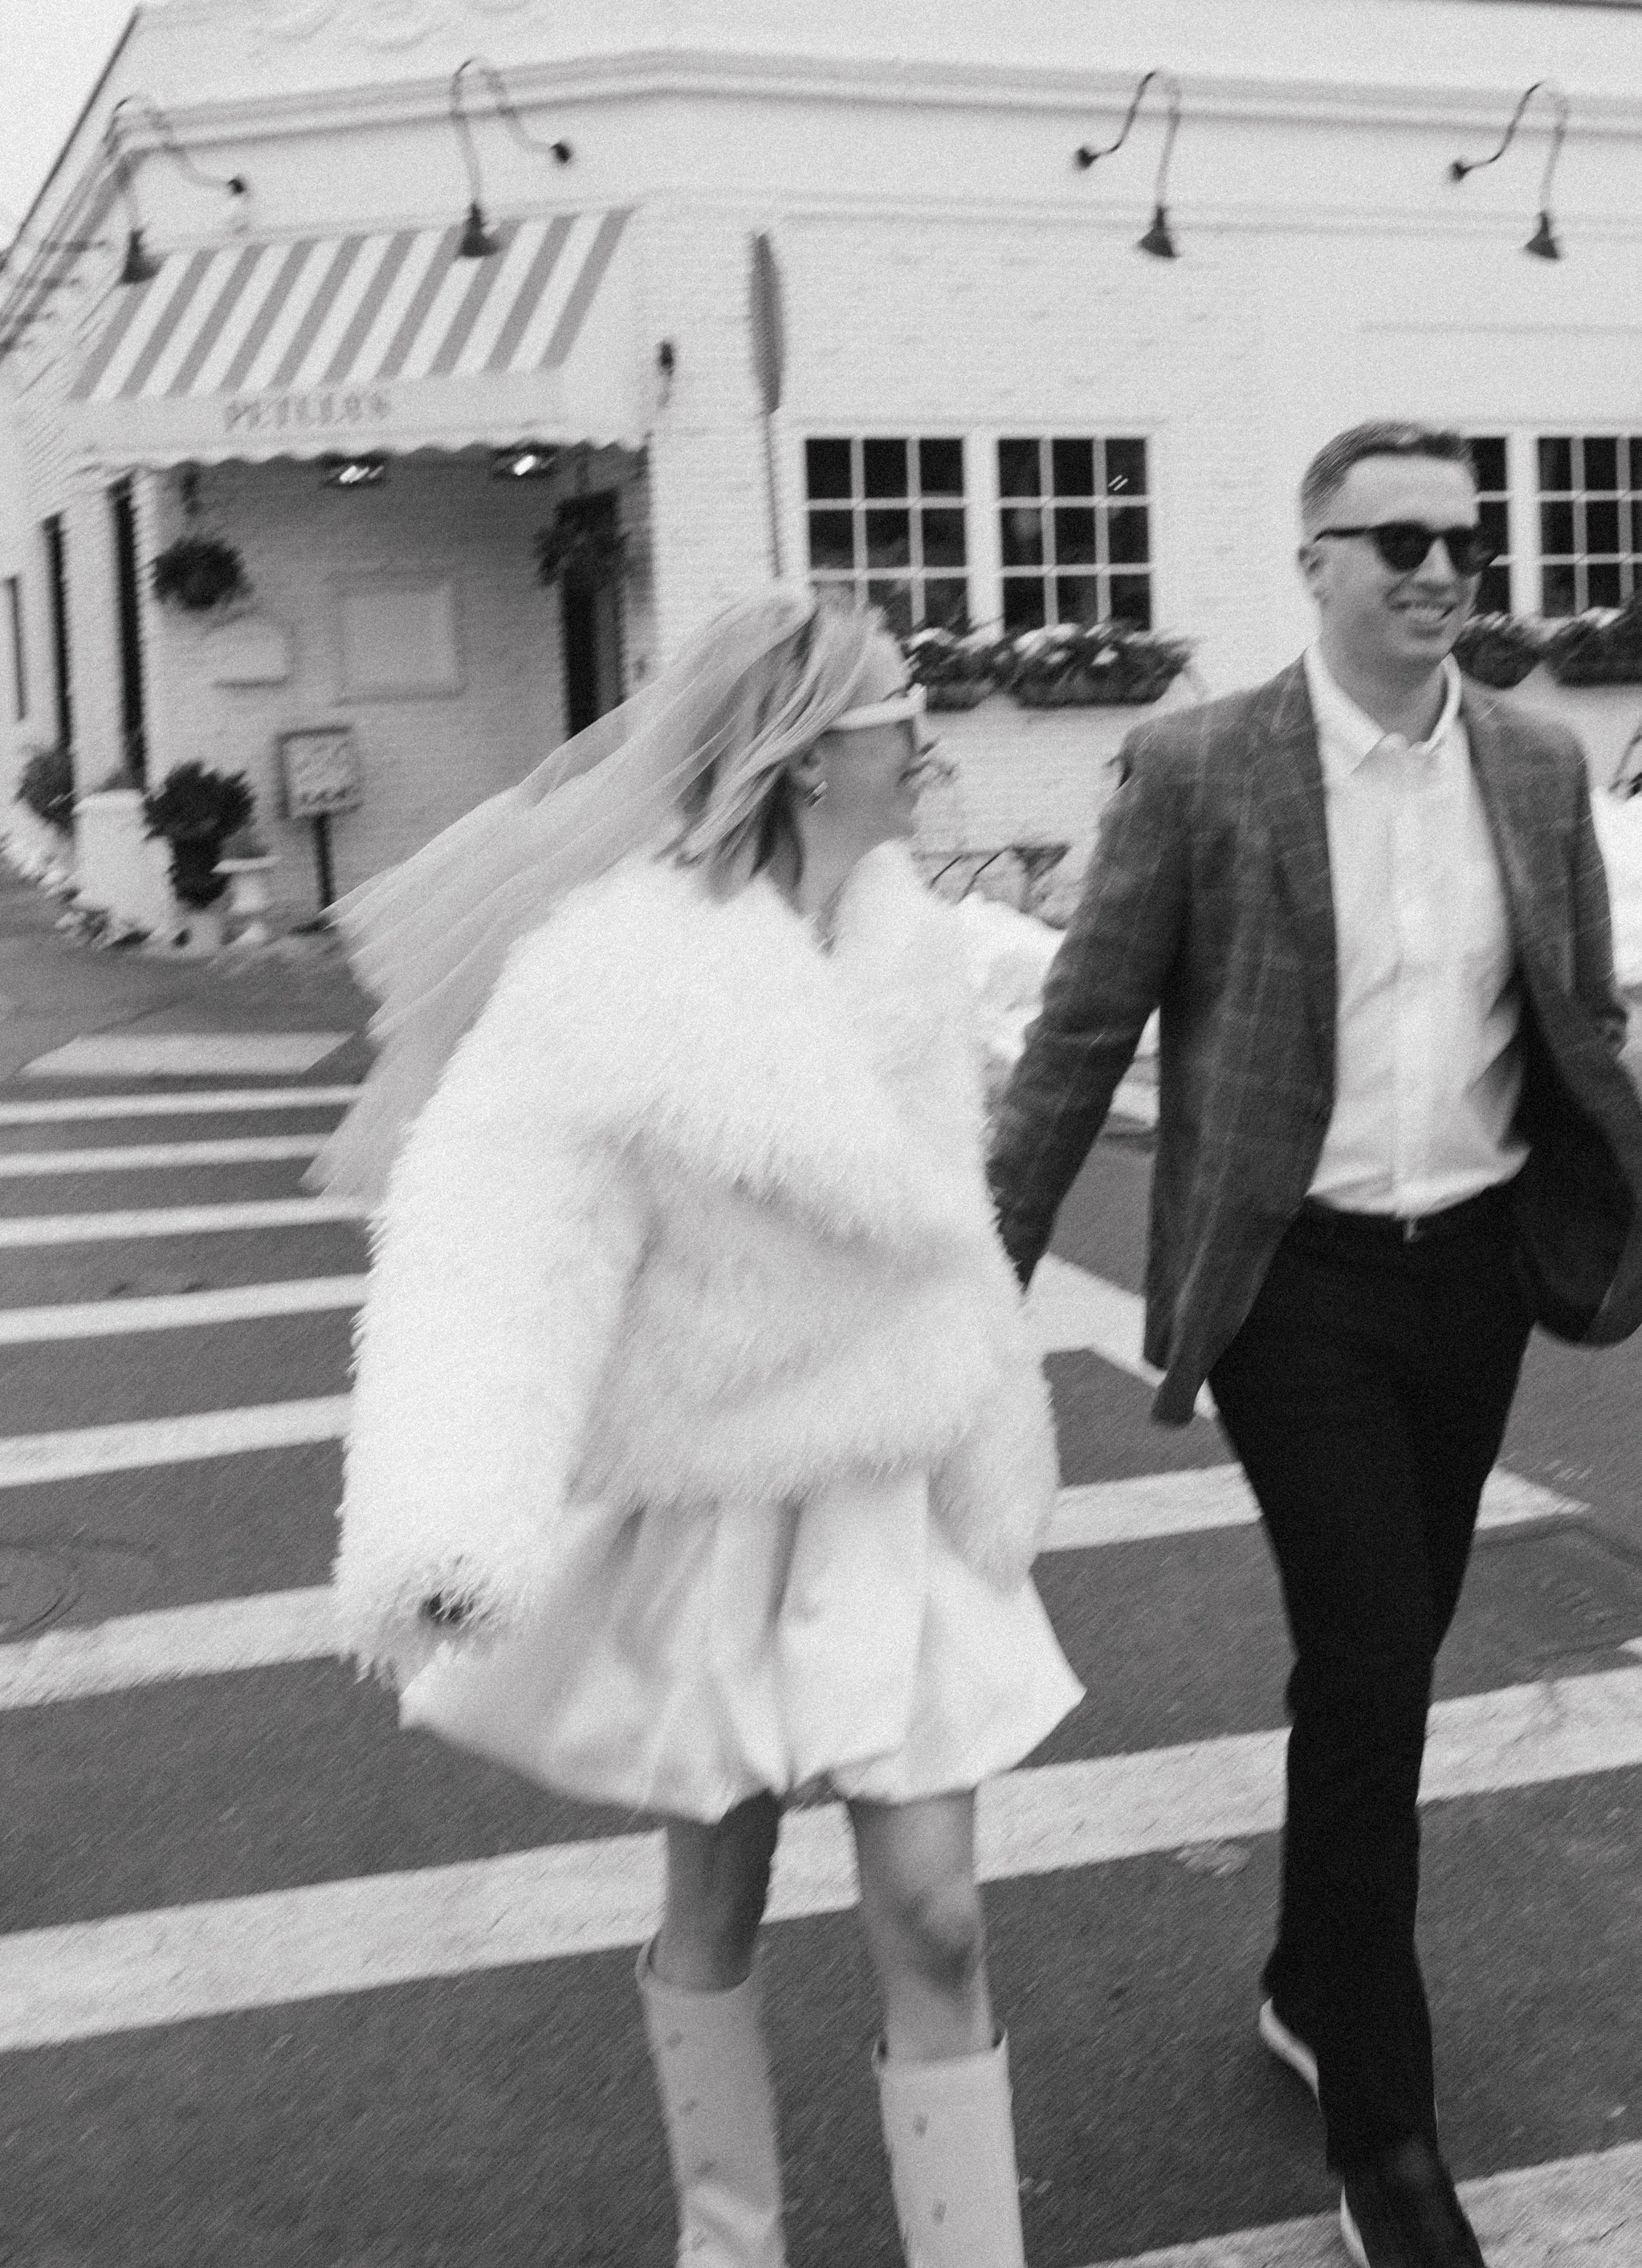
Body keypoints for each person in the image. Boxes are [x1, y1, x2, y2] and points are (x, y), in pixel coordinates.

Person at [326, 589, 1081, 2268]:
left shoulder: (910, 940)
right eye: (901, 710)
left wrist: (989, 1412)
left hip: (890, 1479)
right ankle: (726, 2239)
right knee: (714, 1903)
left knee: (938, 1916)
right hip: (715, 1499)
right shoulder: (614, 972)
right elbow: (491, 1238)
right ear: (814, 754)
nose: (927, 737)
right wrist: (451, 1506)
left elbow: (943, 1217)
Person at [987, 422, 1642, 2268]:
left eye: (1459, 537)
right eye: (1396, 540)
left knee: (1386, 1657)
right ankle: (1385, 2128)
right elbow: (1082, 1027)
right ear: (1312, 563)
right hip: (1297, 1284)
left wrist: (1571, 1201)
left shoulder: (1533, 764)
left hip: (1470, 1277)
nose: (1439, 568)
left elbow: (1578, 995)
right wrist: (989, 1268)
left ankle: (1309, 1972)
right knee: (1371, 1648)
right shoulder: (1204, 764)